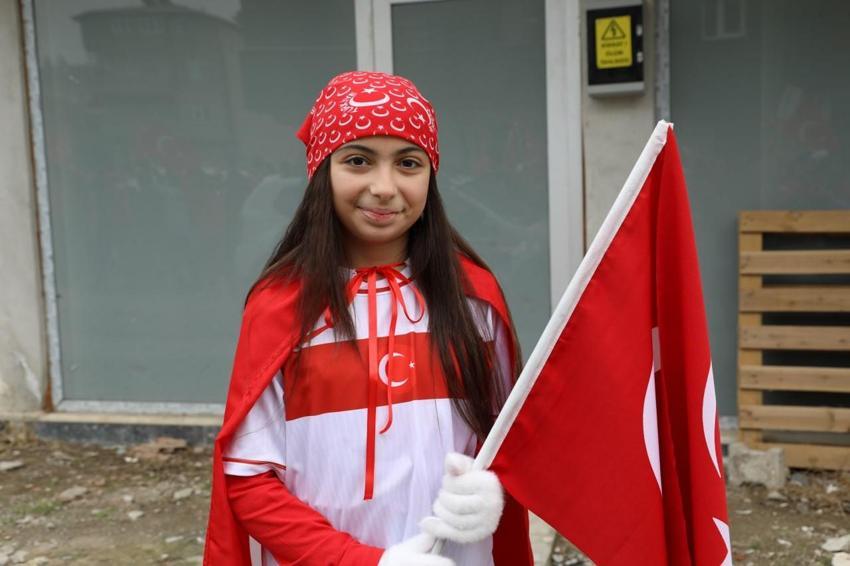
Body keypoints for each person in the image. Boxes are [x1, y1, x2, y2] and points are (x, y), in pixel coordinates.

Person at [204, 71, 533, 566]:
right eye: (358, 160)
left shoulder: (476, 302)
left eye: (408, 162)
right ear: (323, 172)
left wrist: (496, 488)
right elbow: (249, 481)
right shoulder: (279, 306)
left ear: (431, 175)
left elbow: (515, 443)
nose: (384, 187)